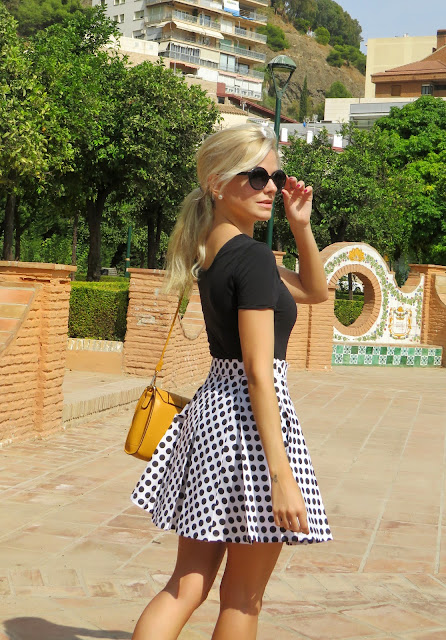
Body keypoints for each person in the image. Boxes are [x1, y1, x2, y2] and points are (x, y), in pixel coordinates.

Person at [130, 123, 332, 640]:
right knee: (244, 597)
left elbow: (315, 291)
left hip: (212, 418)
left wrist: (301, 226)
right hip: (250, 428)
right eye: (256, 177)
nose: (271, 188)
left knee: (186, 585)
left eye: (276, 177)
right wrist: (281, 476)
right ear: (217, 184)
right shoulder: (253, 257)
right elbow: (258, 371)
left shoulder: (216, 249)